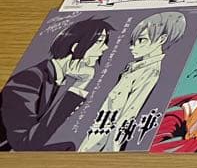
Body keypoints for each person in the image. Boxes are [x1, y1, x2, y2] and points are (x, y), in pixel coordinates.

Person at [79, 12, 188, 152]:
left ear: (162, 39)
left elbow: (128, 115)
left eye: (142, 40)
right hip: (96, 137)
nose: (133, 46)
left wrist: (109, 151)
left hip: (101, 145)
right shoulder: (136, 67)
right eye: (133, 41)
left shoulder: (150, 72)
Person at [0, 18, 113, 151]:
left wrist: (82, 83)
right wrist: (80, 85)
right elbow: (25, 144)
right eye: (99, 41)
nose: (105, 47)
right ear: (75, 47)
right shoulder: (28, 80)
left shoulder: (54, 78)